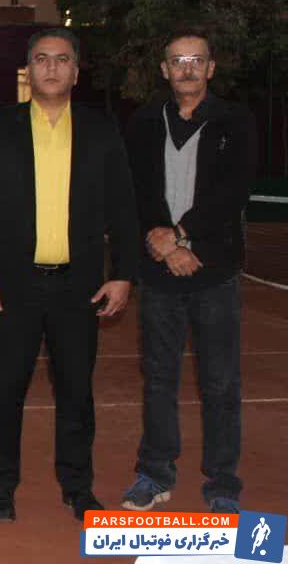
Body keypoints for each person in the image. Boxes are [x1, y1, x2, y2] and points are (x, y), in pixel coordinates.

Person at [0, 28, 140, 523]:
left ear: (76, 72)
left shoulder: (101, 130)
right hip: (12, 286)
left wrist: (123, 274)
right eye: (42, 59)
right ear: (28, 71)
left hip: (78, 287)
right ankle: (1, 487)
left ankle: (78, 486)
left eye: (61, 60)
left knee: (76, 392)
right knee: (5, 391)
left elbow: (123, 208)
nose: (51, 67)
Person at [121, 29, 256, 516]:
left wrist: (180, 236)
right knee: (159, 378)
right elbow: (136, 190)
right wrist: (162, 242)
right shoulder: (142, 121)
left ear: (211, 68)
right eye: (178, 60)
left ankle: (223, 482)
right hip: (160, 271)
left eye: (196, 60)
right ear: (164, 70)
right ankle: (155, 473)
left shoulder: (235, 121)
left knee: (220, 383)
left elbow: (233, 192)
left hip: (213, 271)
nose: (187, 68)